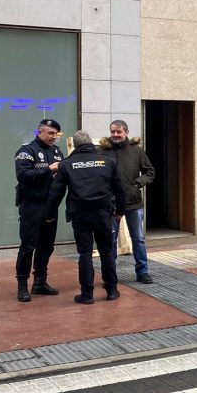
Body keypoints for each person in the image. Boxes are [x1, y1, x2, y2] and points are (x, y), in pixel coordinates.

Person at [46, 130, 126, 304]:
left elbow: (55, 193)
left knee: (85, 254)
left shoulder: (67, 164)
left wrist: (50, 215)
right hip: (103, 213)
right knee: (106, 251)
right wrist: (119, 211)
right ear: (90, 143)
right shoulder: (107, 161)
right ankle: (112, 290)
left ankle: (87, 294)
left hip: (80, 214)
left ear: (74, 145)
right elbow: (120, 190)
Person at [98, 119, 156, 284]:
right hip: (110, 204)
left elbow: (150, 171)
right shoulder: (102, 151)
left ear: (126, 132)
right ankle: (110, 275)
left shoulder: (136, 151)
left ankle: (142, 272)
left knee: (138, 238)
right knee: (110, 240)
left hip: (133, 203)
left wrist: (137, 184)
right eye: (113, 132)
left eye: (119, 132)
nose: (115, 135)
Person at [14, 118, 65, 303]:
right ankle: (22, 285)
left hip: (51, 206)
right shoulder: (27, 151)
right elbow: (23, 176)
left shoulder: (57, 152)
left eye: (56, 134)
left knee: (47, 246)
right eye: (50, 133)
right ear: (39, 132)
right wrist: (48, 170)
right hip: (32, 205)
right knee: (28, 246)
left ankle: (40, 282)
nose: (53, 137)